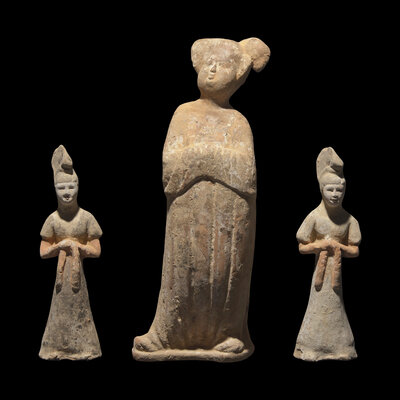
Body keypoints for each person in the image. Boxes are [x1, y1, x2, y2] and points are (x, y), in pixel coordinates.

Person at [133, 38, 270, 362]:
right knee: (181, 273)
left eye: (221, 65)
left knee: (225, 274)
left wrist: (199, 158)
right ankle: (166, 334)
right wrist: (216, 161)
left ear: (237, 76)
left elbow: (246, 176)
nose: (212, 69)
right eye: (208, 62)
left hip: (229, 217)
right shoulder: (184, 113)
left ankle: (229, 333)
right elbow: (171, 171)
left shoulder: (237, 122)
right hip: (187, 213)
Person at [294, 147, 361, 361]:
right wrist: (321, 245)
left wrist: (338, 247)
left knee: (336, 306)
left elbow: (355, 250)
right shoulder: (315, 217)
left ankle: (341, 347)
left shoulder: (349, 220)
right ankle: (310, 346)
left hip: (335, 277)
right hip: (320, 277)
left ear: (345, 191)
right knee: (316, 305)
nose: (335, 195)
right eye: (330, 190)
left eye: (339, 190)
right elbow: (302, 246)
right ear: (322, 189)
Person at [39, 145, 102, 360]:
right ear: (54, 189)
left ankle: (85, 348)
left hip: (78, 279)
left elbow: (96, 250)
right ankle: (54, 348)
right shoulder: (53, 220)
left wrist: (78, 247)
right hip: (61, 282)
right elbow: (43, 251)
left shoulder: (86, 218)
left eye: (71, 187)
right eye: (61, 188)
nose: (66, 192)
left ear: (78, 187)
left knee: (81, 307)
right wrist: (60, 246)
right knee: (58, 310)